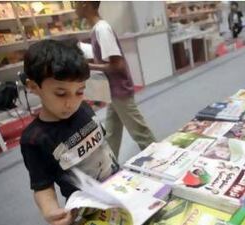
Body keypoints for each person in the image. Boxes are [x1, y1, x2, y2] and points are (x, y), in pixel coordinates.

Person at [20, 40, 120, 225]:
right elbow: (42, 186)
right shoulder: (34, 139)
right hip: (87, 209)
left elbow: (103, 145)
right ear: (34, 87)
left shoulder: (84, 109)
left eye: (80, 91)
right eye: (61, 93)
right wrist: (51, 210)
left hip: (118, 187)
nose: (71, 102)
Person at [75, 1, 156, 158]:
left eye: (76, 2)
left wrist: (89, 66)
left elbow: (118, 65)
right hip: (113, 90)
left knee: (141, 133)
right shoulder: (97, 29)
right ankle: (110, 167)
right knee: (112, 133)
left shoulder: (102, 29)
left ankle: (162, 162)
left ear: (85, 4)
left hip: (119, 90)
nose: (74, 7)